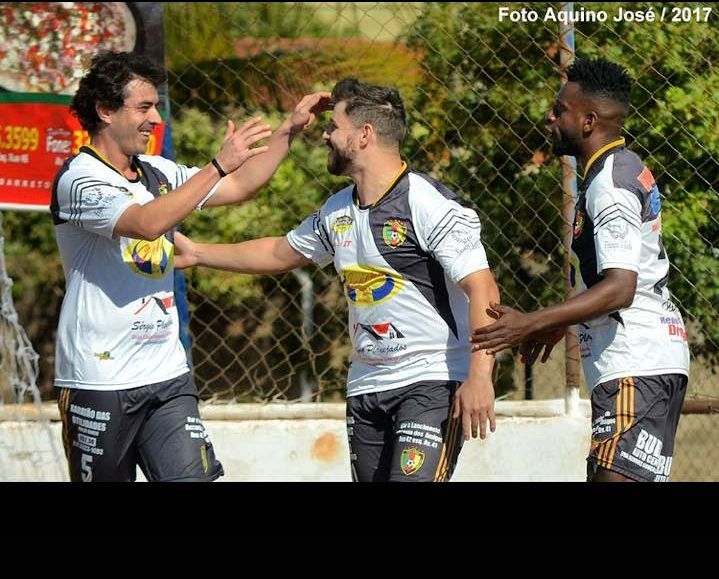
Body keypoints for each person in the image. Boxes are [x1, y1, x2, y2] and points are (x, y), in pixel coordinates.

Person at [173, 77, 499, 482]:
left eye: (334, 127)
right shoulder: (337, 210)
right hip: (366, 385)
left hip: (431, 380)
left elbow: (483, 287)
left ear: (364, 135)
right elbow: (280, 252)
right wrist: (198, 253)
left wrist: (479, 376)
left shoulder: (427, 203)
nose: (325, 135)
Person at [52, 49, 330, 482]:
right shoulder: (80, 179)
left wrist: (288, 130)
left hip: (167, 375)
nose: (155, 119)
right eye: (144, 107)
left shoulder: (156, 171)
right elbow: (146, 223)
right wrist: (217, 166)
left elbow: (239, 184)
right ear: (105, 110)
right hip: (99, 380)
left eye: (156, 108)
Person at [471, 57, 690, 482]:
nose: (549, 117)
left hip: (636, 364)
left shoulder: (609, 185)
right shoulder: (617, 168)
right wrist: (559, 324)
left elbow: (621, 287)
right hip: (640, 364)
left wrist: (532, 321)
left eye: (560, 110)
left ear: (588, 121)